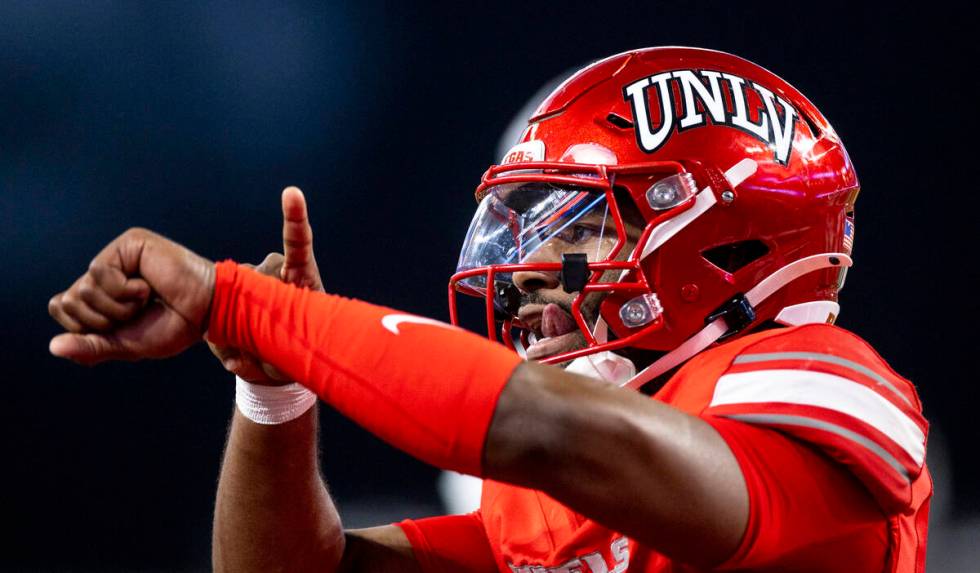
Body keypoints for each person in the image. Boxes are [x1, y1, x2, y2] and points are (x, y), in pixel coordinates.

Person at [47, 47, 931, 572]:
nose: (526, 274)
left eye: (577, 228)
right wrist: (274, 393)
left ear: (720, 244)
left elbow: (550, 430)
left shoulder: (821, 379)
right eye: (524, 230)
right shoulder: (581, 476)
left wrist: (240, 303)